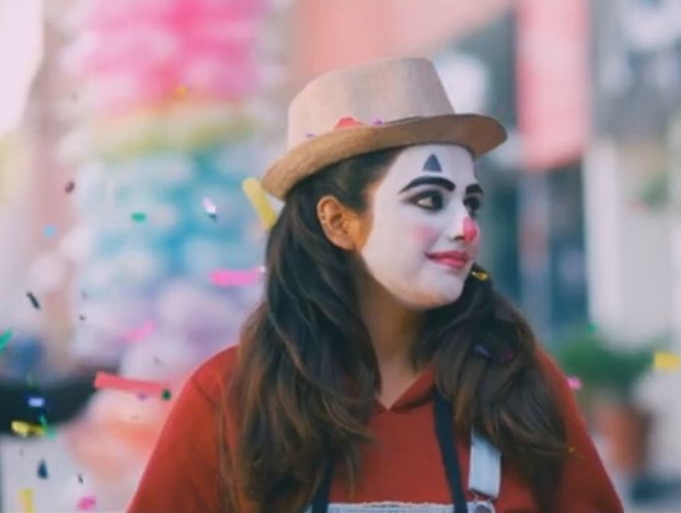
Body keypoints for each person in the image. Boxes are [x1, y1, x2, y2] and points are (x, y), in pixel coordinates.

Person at [127, 58, 623, 513]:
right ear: (338, 222)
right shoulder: (230, 396)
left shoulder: (521, 385)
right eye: (431, 200)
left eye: (470, 203)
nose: (465, 228)